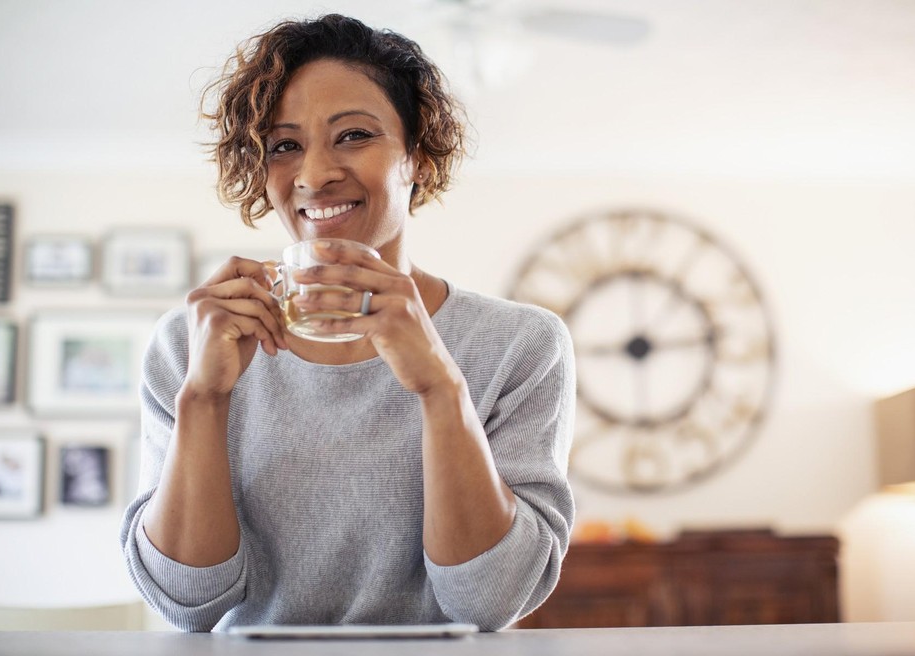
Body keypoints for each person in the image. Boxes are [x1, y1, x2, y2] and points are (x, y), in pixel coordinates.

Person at [120, 13, 575, 633]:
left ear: (415, 156)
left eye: (354, 135)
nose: (313, 174)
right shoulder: (191, 342)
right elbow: (185, 602)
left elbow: (490, 601)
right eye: (284, 146)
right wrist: (204, 397)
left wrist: (441, 388)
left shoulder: (523, 344)